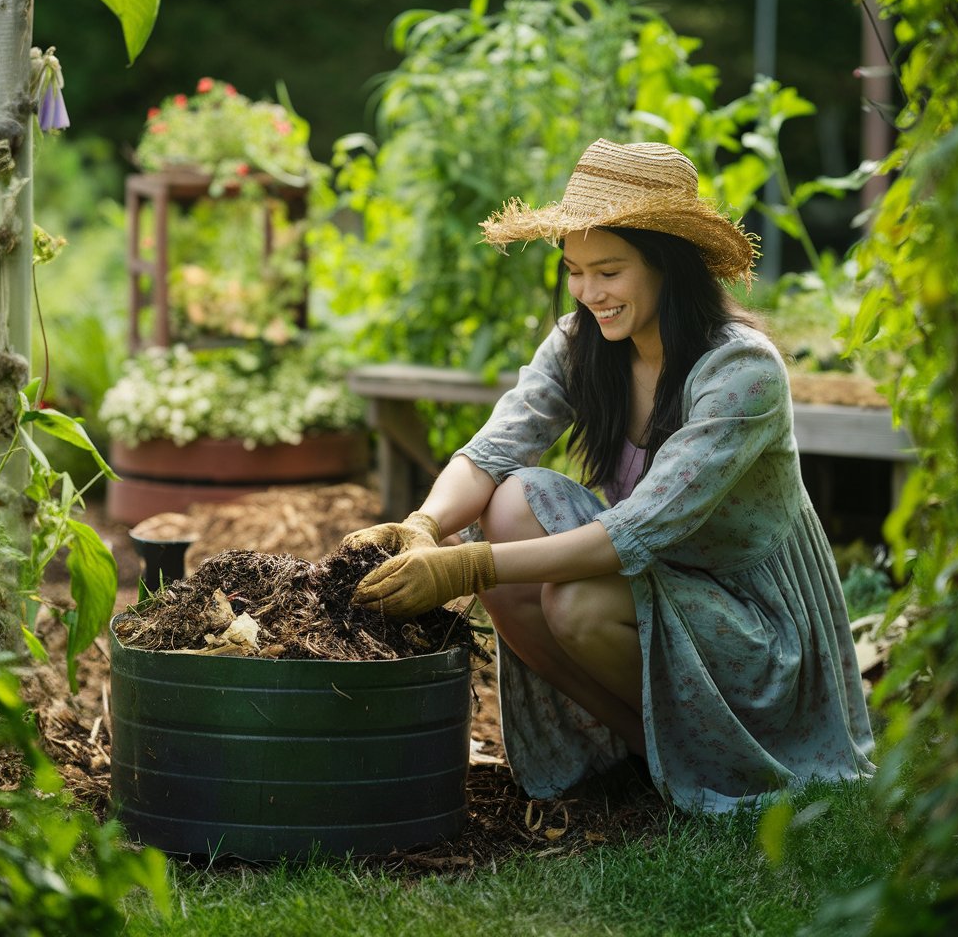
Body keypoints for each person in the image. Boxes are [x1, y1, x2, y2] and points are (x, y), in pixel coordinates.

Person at [346, 138, 876, 812]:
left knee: (575, 601)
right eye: (574, 271)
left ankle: (721, 761)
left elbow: (636, 531)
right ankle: (649, 755)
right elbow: (494, 448)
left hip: (756, 625)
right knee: (511, 502)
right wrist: (423, 526)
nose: (589, 292)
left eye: (609, 271)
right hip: (661, 584)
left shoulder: (742, 372)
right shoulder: (585, 343)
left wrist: (466, 569)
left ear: (668, 266)